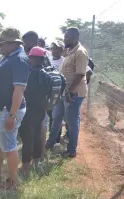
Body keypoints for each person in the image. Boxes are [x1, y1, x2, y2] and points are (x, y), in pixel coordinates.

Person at [0, 27, 29, 190]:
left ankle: (13, 181)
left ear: (11, 43)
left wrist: (12, 114)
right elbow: (2, 79)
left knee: (9, 146)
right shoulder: (9, 57)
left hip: (7, 111)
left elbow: (19, 90)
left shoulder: (19, 60)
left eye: (1, 43)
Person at [46, 27, 89, 158]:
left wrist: (69, 91)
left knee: (71, 121)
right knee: (56, 115)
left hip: (74, 93)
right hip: (64, 92)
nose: (65, 39)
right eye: (65, 37)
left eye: (67, 37)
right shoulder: (70, 51)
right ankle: (51, 141)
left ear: (75, 38)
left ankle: (72, 150)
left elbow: (81, 74)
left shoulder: (80, 52)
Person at [19, 46, 51, 173]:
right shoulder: (47, 76)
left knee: (27, 137)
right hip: (41, 109)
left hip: (27, 110)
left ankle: (26, 165)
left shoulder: (27, 74)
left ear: (31, 58)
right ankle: (37, 161)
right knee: (37, 134)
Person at [48, 40, 67, 146]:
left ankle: (56, 139)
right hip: (48, 92)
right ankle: (52, 136)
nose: (54, 50)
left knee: (56, 116)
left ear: (61, 51)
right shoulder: (48, 60)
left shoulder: (64, 61)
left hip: (59, 93)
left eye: (57, 49)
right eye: (53, 48)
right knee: (50, 115)